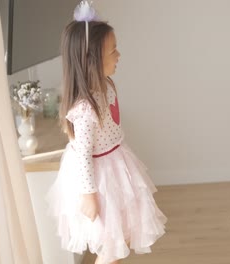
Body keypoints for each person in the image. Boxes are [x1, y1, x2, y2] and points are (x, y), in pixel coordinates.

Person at [46, 2, 167, 263]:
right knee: (110, 249)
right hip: (99, 180)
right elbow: (82, 156)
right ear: (91, 61)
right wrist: (89, 196)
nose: (119, 55)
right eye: (113, 51)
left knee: (118, 242)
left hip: (113, 167)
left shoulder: (104, 88)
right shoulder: (85, 110)